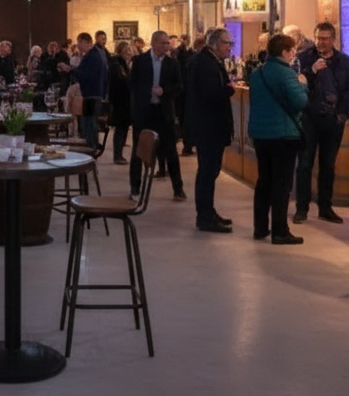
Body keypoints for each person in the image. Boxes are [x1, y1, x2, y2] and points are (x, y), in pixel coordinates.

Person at [248, 33, 309, 244]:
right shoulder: (286, 74)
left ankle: (260, 227)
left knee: (264, 180)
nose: (293, 54)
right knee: (282, 184)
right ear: (284, 52)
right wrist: (303, 84)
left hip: (260, 134)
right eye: (292, 50)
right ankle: (280, 230)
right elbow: (300, 102)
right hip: (283, 134)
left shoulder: (257, 73)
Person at [293, 21, 349, 225]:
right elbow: (296, 84)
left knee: (328, 165)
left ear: (333, 39)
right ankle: (302, 208)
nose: (321, 42)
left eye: (325, 38)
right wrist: (312, 71)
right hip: (309, 118)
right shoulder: (304, 58)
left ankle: (325, 208)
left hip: (333, 120)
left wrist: (342, 111)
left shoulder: (344, 61)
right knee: (304, 164)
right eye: (319, 38)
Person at [184, 28, 237, 233]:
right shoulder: (205, 63)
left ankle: (208, 211)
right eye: (226, 44)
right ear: (215, 44)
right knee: (207, 172)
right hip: (208, 127)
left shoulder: (208, 61)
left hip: (209, 126)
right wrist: (229, 89)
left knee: (210, 172)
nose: (229, 48)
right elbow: (210, 94)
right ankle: (204, 216)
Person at [128, 31, 186, 201]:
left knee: (171, 151)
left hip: (164, 112)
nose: (166, 46)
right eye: (163, 43)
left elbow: (179, 86)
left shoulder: (172, 63)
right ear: (153, 44)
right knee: (138, 151)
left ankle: (178, 189)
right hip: (144, 112)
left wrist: (165, 91)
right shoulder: (140, 61)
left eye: (168, 43)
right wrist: (147, 92)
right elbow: (132, 84)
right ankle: (135, 187)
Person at [68, 32, 107, 149]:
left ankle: (90, 150)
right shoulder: (97, 54)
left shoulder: (93, 56)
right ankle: (91, 147)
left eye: (79, 42)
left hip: (92, 94)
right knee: (89, 124)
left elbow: (87, 76)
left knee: (89, 126)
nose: (78, 46)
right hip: (95, 94)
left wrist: (70, 70)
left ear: (86, 42)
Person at [108, 40, 134, 164]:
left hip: (124, 100)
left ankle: (120, 152)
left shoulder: (121, 64)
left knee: (123, 127)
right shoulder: (117, 64)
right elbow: (121, 82)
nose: (129, 55)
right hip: (120, 101)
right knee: (120, 128)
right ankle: (117, 155)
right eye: (127, 52)